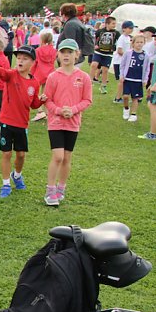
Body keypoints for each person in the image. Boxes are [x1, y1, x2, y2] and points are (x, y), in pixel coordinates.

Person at [0, 45, 45, 198]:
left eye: (25, 59)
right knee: (6, 153)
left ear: (32, 62)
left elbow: (33, 104)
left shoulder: (34, 83)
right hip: (6, 123)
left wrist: (41, 100)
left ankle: (16, 175)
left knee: (21, 155)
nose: (20, 61)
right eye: (19, 58)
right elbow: (2, 72)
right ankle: (5, 184)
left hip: (22, 124)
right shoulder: (12, 75)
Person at [42, 38, 93, 206]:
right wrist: (58, 111)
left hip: (73, 123)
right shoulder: (53, 76)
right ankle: (50, 190)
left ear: (77, 54)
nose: (66, 55)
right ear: (58, 55)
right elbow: (47, 100)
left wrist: (73, 110)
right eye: (63, 52)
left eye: (70, 52)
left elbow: (87, 100)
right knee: (58, 156)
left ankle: (61, 188)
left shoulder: (84, 77)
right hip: (55, 122)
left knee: (67, 157)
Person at [119, 33, 151, 123]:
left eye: (141, 42)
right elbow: (123, 65)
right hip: (128, 78)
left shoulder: (146, 55)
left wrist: (145, 79)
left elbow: (147, 69)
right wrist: (122, 75)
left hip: (138, 80)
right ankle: (126, 108)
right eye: (137, 42)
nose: (139, 44)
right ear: (133, 43)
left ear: (144, 43)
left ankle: (133, 114)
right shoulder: (128, 53)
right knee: (125, 96)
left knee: (135, 98)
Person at [139, 31, 156, 140]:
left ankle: (153, 134)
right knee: (151, 105)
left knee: (153, 107)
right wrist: (152, 84)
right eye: (155, 39)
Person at [91, 16, 119, 93]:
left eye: (115, 23)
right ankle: (90, 82)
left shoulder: (116, 33)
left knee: (105, 70)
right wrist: (95, 45)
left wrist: (115, 48)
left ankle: (103, 86)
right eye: (113, 23)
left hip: (108, 54)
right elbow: (95, 38)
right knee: (94, 65)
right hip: (98, 52)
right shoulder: (100, 31)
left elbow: (118, 42)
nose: (114, 25)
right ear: (107, 24)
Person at [112, 20, 134, 103]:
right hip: (119, 62)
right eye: (129, 28)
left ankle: (123, 96)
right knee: (122, 80)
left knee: (125, 80)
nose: (131, 30)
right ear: (124, 29)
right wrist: (128, 57)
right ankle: (117, 98)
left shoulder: (128, 38)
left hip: (124, 62)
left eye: (132, 28)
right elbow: (120, 51)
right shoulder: (122, 38)